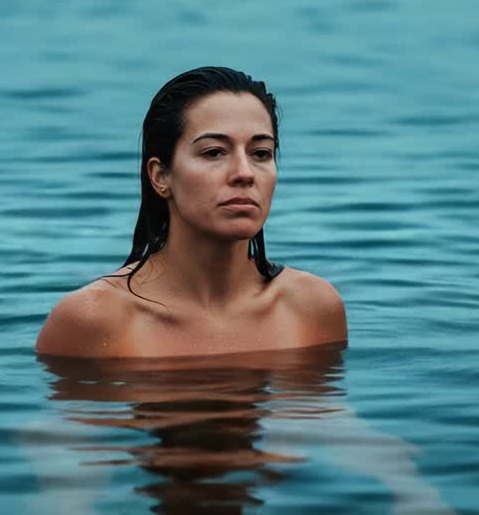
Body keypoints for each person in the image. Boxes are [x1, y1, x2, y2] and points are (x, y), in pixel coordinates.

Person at [36, 66, 347, 358]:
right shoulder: (96, 320)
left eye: (260, 153)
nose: (244, 172)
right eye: (214, 152)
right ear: (160, 176)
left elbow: (323, 415)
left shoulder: (310, 306)